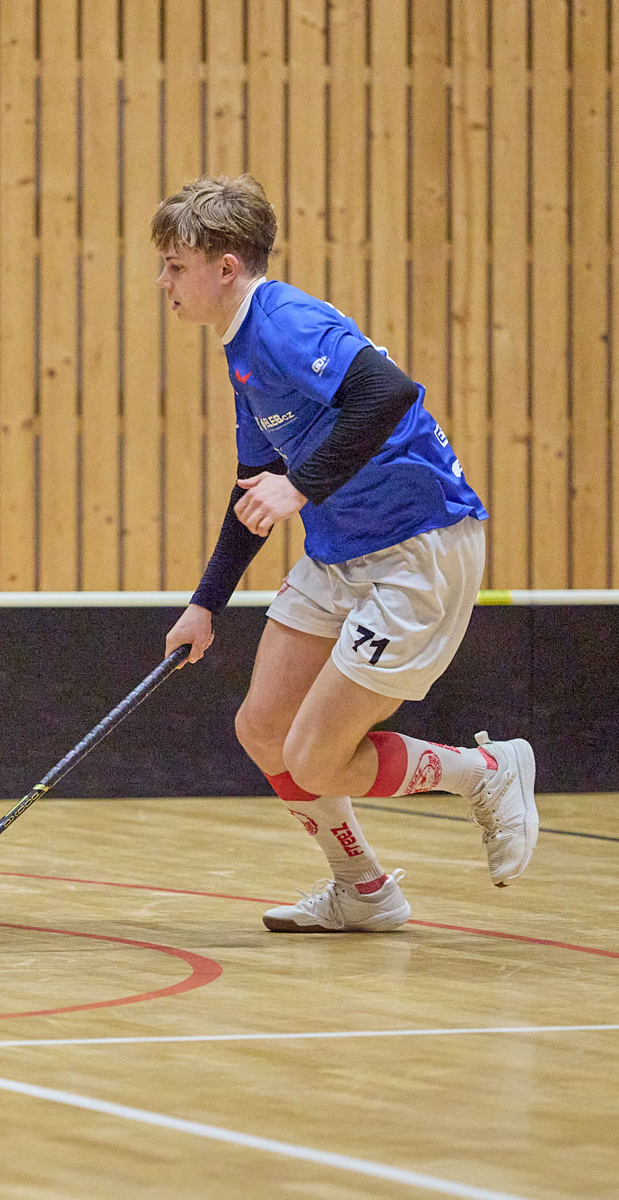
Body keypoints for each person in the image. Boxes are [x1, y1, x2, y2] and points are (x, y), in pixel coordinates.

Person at [154, 175, 535, 932]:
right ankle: (363, 890)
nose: (163, 282)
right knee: (263, 730)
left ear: (225, 267)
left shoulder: (284, 321)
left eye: (175, 265)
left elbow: (388, 393)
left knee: (318, 757)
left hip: (417, 547)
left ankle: (487, 771)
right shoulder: (242, 350)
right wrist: (205, 604)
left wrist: (299, 486)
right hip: (340, 553)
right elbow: (256, 486)